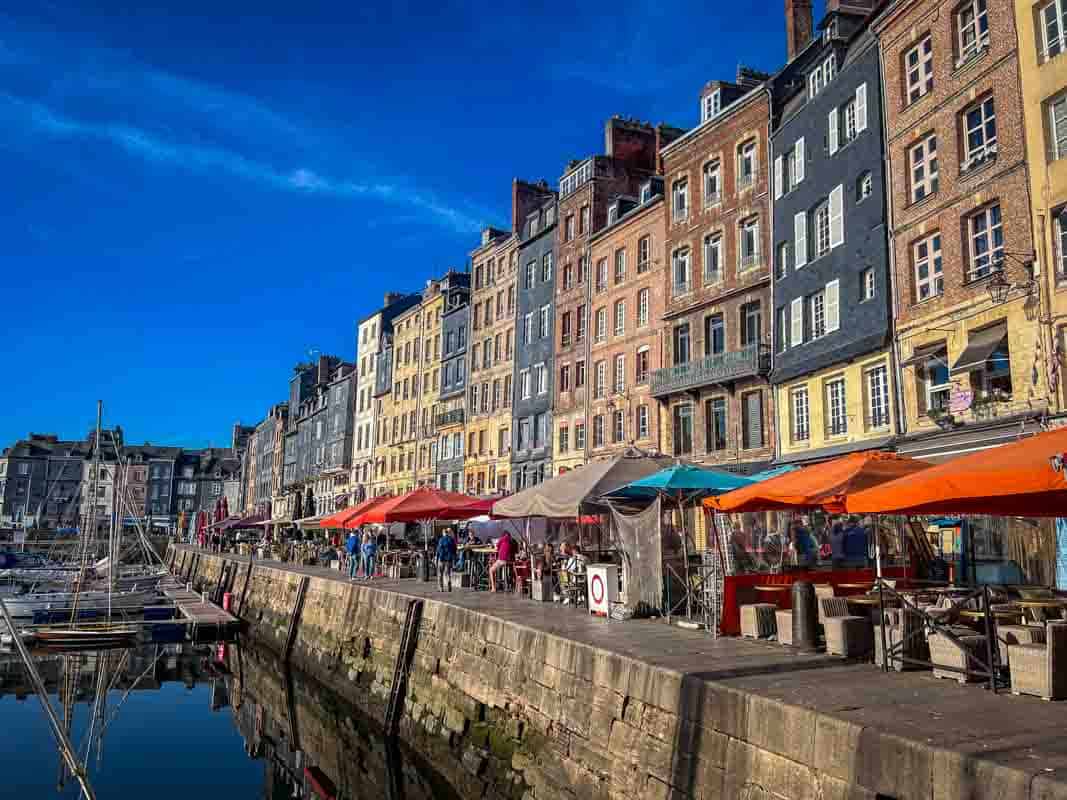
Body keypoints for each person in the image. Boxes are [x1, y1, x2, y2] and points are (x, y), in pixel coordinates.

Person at [436, 527, 457, 592]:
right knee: (448, 573)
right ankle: (449, 585)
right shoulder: (452, 540)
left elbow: (439, 550)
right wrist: (454, 558)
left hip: (442, 559)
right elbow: (454, 549)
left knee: (440, 574)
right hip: (449, 559)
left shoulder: (441, 540)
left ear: (443, 533)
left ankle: (441, 588)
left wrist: (436, 558)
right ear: (447, 533)